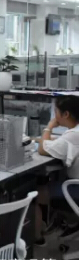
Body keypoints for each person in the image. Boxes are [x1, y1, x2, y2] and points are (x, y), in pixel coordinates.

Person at [34, 95, 79, 245]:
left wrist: (49, 126)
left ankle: (38, 238)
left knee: (34, 193)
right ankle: (71, 222)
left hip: (76, 189)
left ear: (65, 114)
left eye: (56, 112)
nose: (55, 116)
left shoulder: (73, 135)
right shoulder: (75, 133)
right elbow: (63, 142)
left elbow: (42, 149)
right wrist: (46, 139)